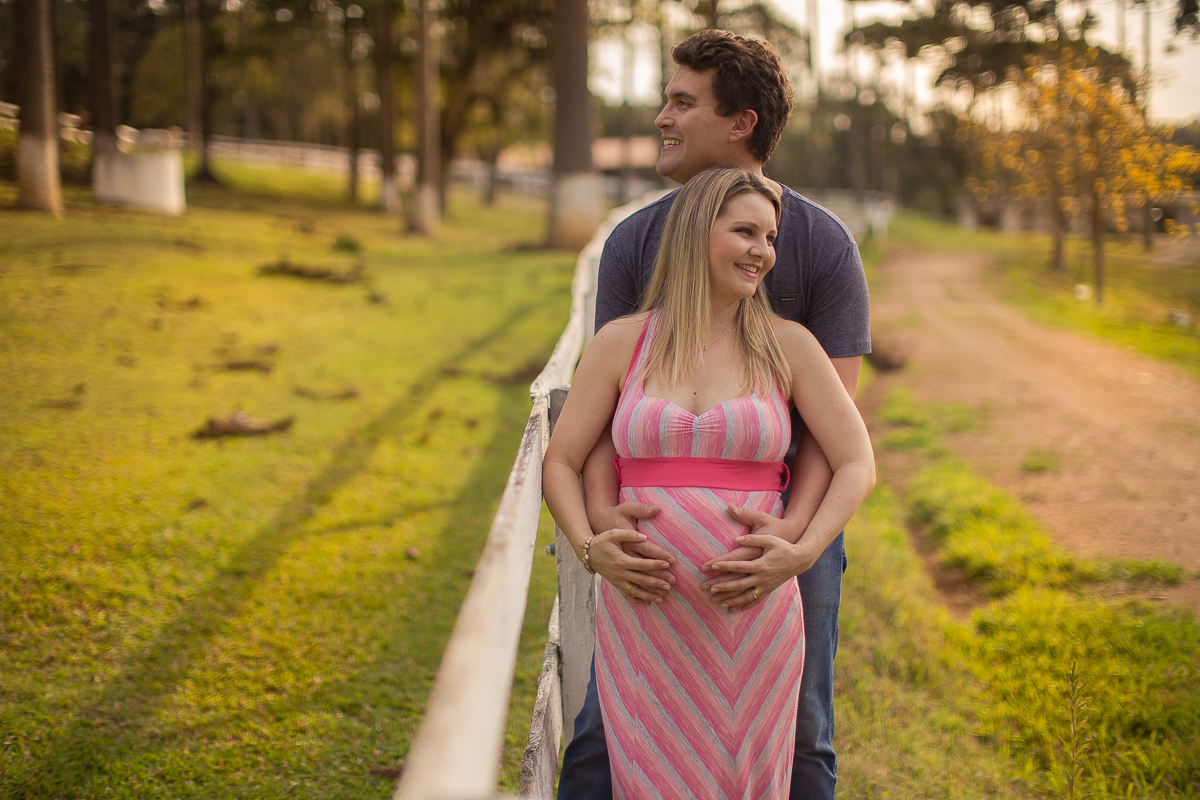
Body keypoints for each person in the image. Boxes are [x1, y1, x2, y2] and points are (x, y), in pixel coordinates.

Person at [556, 30, 872, 799]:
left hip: (779, 529)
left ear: (741, 123)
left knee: (804, 736)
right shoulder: (635, 242)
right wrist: (601, 521)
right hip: (650, 559)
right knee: (600, 736)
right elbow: (602, 420)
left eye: (681, 102)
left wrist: (794, 540)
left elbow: (833, 437)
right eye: (667, 100)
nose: (662, 118)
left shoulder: (822, 245)